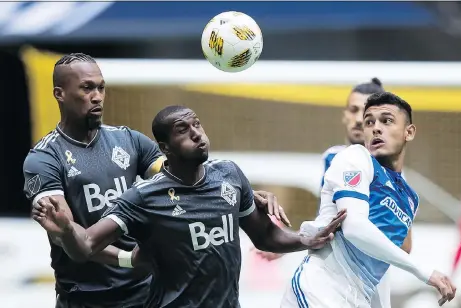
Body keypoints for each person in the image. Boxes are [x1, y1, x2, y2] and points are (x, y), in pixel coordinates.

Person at [23, 53, 288, 308]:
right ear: (60, 94)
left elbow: (187, 180)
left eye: (101, 88)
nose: (97, 97)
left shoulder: (129, 140)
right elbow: (64, 234)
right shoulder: (44, 159)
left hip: (145, 292)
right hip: (86, 297)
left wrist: (242, 193)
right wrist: (128, 259)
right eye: (87, 88)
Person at [32, 105, 347, 308]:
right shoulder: (144, 197)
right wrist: (65, 229)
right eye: (184, 130)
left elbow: (265, 237)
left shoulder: (230, 175)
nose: (197, 134)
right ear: (165, 148)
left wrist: (307, 240)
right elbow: (86, 245)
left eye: (197, 124)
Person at [281, 92, 456, 308]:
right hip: (320, 290)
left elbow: (379, 263)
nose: (376, 128)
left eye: (387, 120)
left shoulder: (410, 199)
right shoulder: (354, 157)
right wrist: (425, 272)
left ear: (409, 132)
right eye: (369, 122)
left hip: (357, 299)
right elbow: (355, 228)